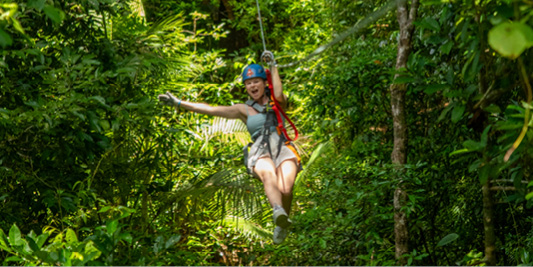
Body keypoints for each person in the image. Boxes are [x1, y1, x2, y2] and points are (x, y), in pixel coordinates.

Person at [158, 52, 300, 244]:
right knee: (267, 173)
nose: (252, 86)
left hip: (282, 147)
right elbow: (210, 109)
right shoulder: (243, 109)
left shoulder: (277, 102)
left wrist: (273, 65)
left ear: (264, 83)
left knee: (286, 190)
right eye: (248, 83)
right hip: (260, 150)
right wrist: (180, 103)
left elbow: (280, 94)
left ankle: (281, 224)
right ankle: (277, 211)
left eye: (256, 81)